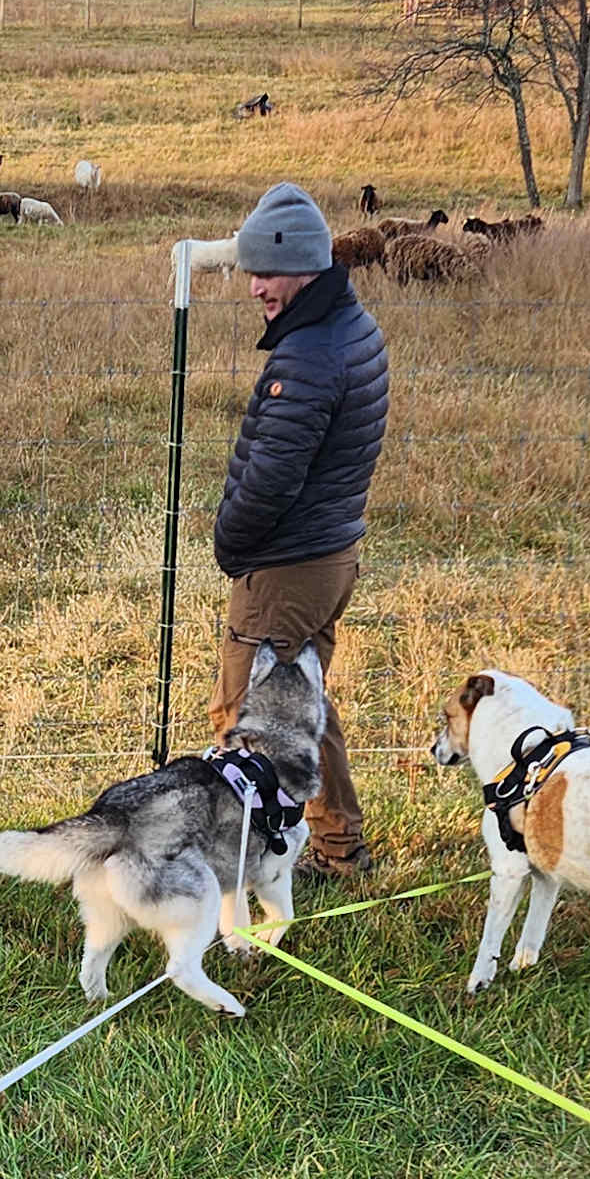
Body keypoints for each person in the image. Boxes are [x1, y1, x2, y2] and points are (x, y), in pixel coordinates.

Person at [209, 182, 388, 876]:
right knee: (302, 703)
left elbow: (272, 477)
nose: (255, 287)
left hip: (288, 565)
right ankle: (339, 846)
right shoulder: (349, 326)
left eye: (266, 273)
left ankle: (243, 872)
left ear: (304, 266)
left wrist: (231, 542)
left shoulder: (310, 354)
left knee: (247, 716)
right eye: (250, 271)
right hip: (331, 553)